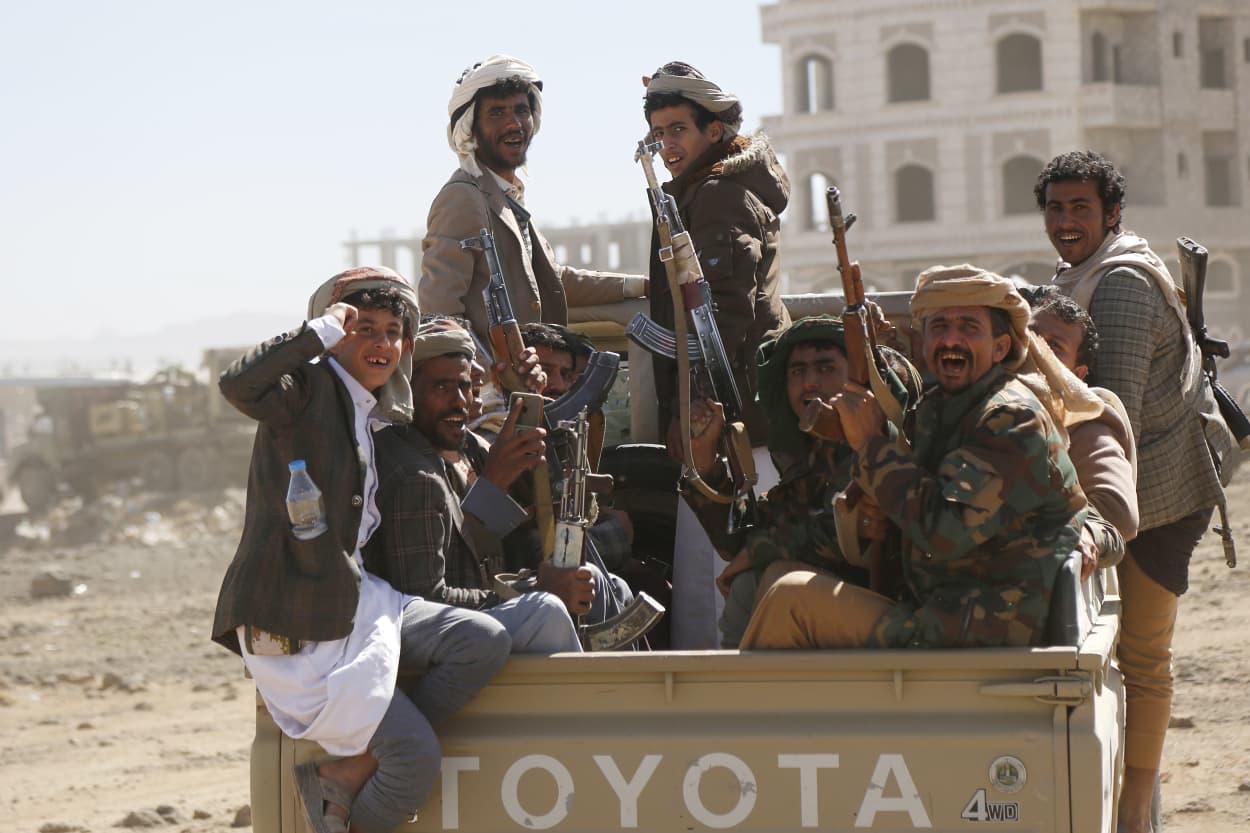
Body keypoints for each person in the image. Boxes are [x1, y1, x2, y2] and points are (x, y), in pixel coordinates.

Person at [210, 268, 511, 833]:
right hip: (298, 623)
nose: (381, 344)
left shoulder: (372, 410)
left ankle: (351, 769)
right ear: (336, 330)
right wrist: (318, 332)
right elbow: (238, 385)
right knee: (414, 760)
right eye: (363, 327)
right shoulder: (305, 390)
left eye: (394, 331)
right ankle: (372, 768)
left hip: (356, 603)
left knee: (482, 639)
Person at [1035, 150, 1235, 832]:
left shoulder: (1117, 284)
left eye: (1080, 208)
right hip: (1130, 485)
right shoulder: (1083, 273)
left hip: (1158, 492)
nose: (1066, 221)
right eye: (1056, 208)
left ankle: (1131, 815)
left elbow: (1110, 416)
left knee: (1143, 659)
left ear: (1112, 212)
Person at [741, 266, 1086, 652]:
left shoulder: (1010, 418)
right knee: (779, 575)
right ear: (923, 342)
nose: (950, 340)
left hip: (982, 629)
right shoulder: (938, 410)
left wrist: (872, 444)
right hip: (942, 610)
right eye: (939, 327)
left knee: (792, 599)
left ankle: (750, 714)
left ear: (1000, 348)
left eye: (969, 328)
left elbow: (943, 533)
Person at [642, 61, 792, 647]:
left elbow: (718, 314)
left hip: (731, 426)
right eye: (660, 133)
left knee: (716, 590)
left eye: (678, 129)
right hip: (737, 419)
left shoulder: (716, 197)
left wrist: (696, 412)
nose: (667, 145)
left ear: (715, 131)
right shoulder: (714, 191)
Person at [683, 316, 919, 647]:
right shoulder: (811, 456)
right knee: (751, 581)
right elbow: (739, 541)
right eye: (798, 372)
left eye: (825, 369)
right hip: (836, 612)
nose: (809, 383)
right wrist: (706, 460)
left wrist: (757, 552)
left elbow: (846, 531)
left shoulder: (882, 441)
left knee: (766, 579)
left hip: (898, 615)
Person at [365, 319, 585, 653]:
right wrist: (536, 589)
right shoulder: (414, 476)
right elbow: (426, 602)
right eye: (441, 388)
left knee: (601, 583)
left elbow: (537, 506)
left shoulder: (467, 448)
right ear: (408, 392)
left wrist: (530, 408)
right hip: (451, 639)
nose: (460, 402)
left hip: (482, 609)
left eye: (465, 386)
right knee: (547, 610)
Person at [420, 54, 647, 352]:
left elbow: (549, 281)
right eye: (497, 113)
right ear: (471, 129)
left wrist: (643, 284)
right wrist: (485, 384)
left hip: (533, 364)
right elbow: (440, 313)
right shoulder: (463, 197)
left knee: (645, 308)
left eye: (521, 111)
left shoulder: (504, 195)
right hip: (497, 379)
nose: (513, 124)